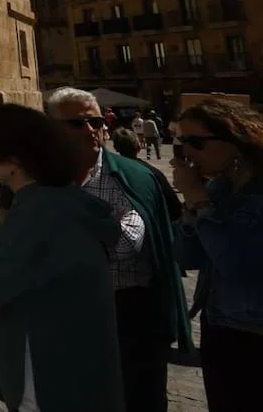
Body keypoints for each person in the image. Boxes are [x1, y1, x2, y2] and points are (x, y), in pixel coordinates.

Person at [0, 103, 125, 412]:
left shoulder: (36, 214)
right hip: (81, 363)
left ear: (13, 160)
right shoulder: (66, 202)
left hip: (48, 370)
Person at [45, 88, 189, 412]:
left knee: (141, 400)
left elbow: (127, 242)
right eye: (76, 123)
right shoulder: (35, 183)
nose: (89, 130)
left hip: (130, 313)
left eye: (94, 121)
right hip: (65, 313)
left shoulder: (136, 177)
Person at [172, 99, 263, 412]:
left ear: (234, 140)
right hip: (219, 325)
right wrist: (189, 210)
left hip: (254, 330)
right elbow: (188, 257)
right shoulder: (219, 189)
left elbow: (238, 264)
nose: (187, 153)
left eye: (196, 142)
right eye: (182, 142)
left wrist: (197, 200)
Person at [110, 129, 182, 222]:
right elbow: (174, 207)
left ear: (116, 148)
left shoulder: (111, 172)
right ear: (138, 147)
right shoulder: (153, 173)